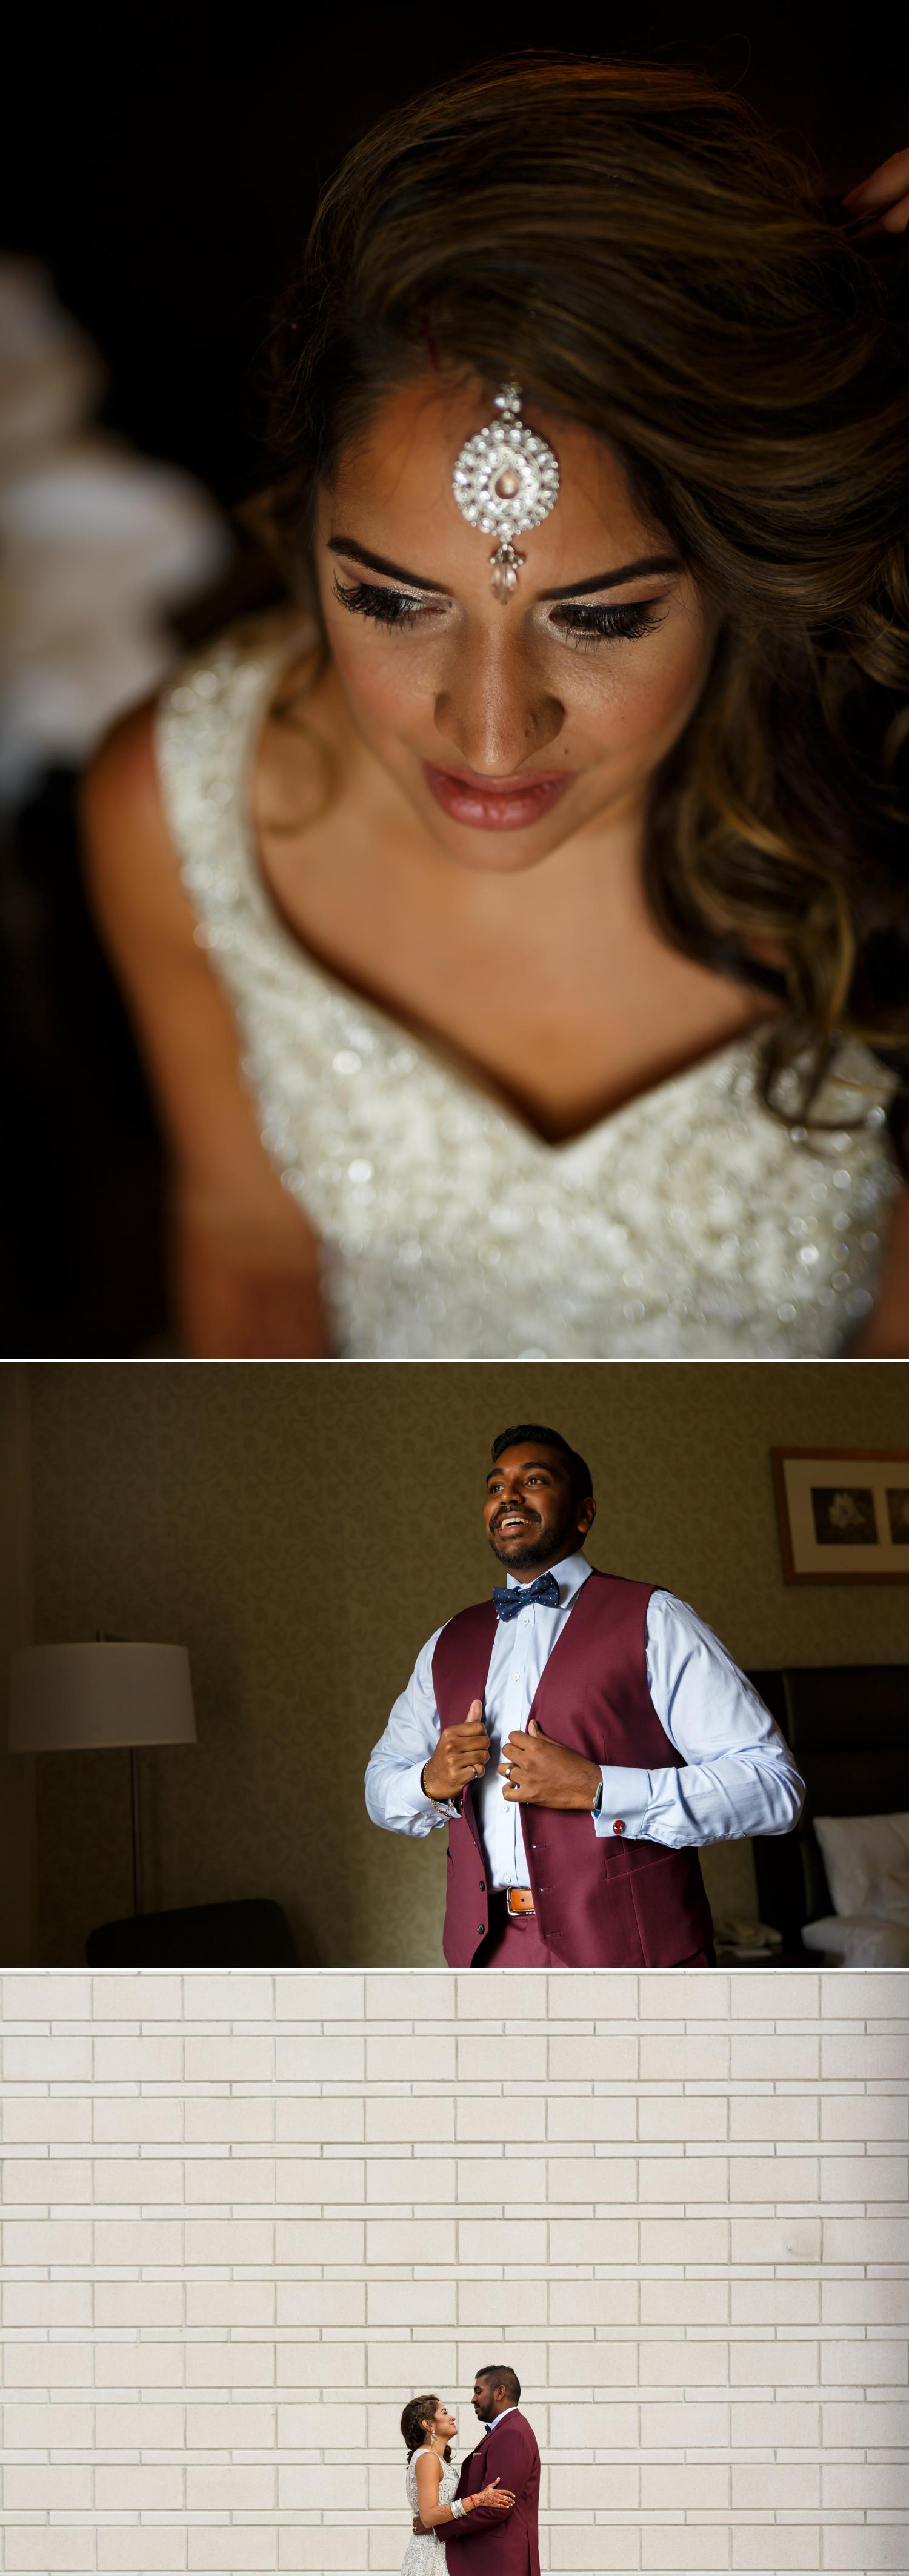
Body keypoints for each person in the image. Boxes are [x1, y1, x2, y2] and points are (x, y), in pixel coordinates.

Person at [82, 66, 909, 1358]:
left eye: (602, 616)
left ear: (740, 572)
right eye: (393, 600)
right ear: (308, 524)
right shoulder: (173, 811)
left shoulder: (883, 792)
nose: (485, 735)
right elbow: (249, 1257)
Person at [365, 1422, 805, 1968]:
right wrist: (429, 1781)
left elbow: (774, 1787)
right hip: (486, 1962)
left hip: (632, 1958)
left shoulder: (655, 1620)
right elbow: (380, 1787)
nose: (508, 1496)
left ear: (584, 1513)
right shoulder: (446, 1643)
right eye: (495, 1484)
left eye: (534, 1479)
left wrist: (600, 1787)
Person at [409, 2371, 540, 2576]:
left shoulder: (511, 2433)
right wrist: (478, 2499)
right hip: (475, 2559)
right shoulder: (507, 2431)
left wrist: (438, 2529)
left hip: (501, 2562)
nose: (473, 2399)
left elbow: (498, 2507)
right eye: (444, 2413)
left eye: (478, 2392)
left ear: (500, 2393)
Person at [400, 2392, 514, 2574]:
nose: (452, 2417)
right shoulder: (428, 2458)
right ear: (428, 2425)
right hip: (432, 2556)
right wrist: (478, 2499)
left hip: (445, 2549)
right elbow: (428, 2516)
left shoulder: (435, 2458)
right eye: (444, 2413)